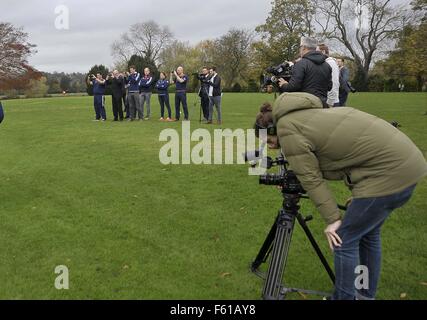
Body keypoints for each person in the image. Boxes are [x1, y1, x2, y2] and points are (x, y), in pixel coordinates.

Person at [254, 92, 427, 300]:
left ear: (271, 129)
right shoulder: (305, 115)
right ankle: (364, 294)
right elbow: (345, 152)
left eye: (267, 140)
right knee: (367, 234)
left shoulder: (286, 129)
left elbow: (311, 179)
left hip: (388, 173)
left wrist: (333, 220)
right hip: (407, 165)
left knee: (343, 240)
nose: (270, 147)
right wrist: (361, 197)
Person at [278, 36, 332, 108]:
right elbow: (329, 86)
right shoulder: (327, 66)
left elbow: (293, 87)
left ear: (303, 47)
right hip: (322, 105)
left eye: (300, 47)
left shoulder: (301, 64)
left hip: (307, 106)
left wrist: (284, 84)